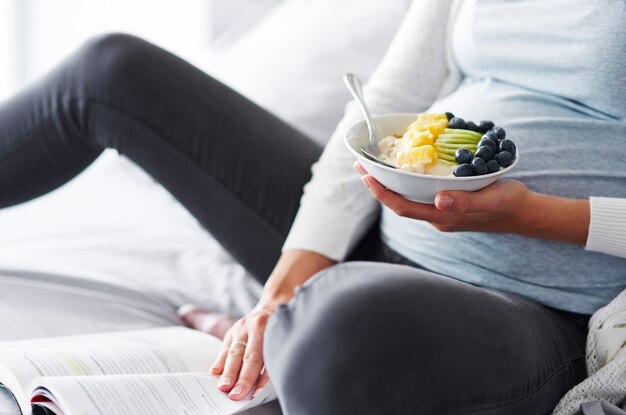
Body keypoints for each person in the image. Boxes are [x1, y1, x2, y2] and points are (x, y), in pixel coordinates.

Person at [1, 0, 625, 413]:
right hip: (383, 230)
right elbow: (382, 101)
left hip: (542, 310)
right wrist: (279, 294)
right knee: (113, 72)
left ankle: (310, 334)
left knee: (341, 323)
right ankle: (298, 322)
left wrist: (529, 215)